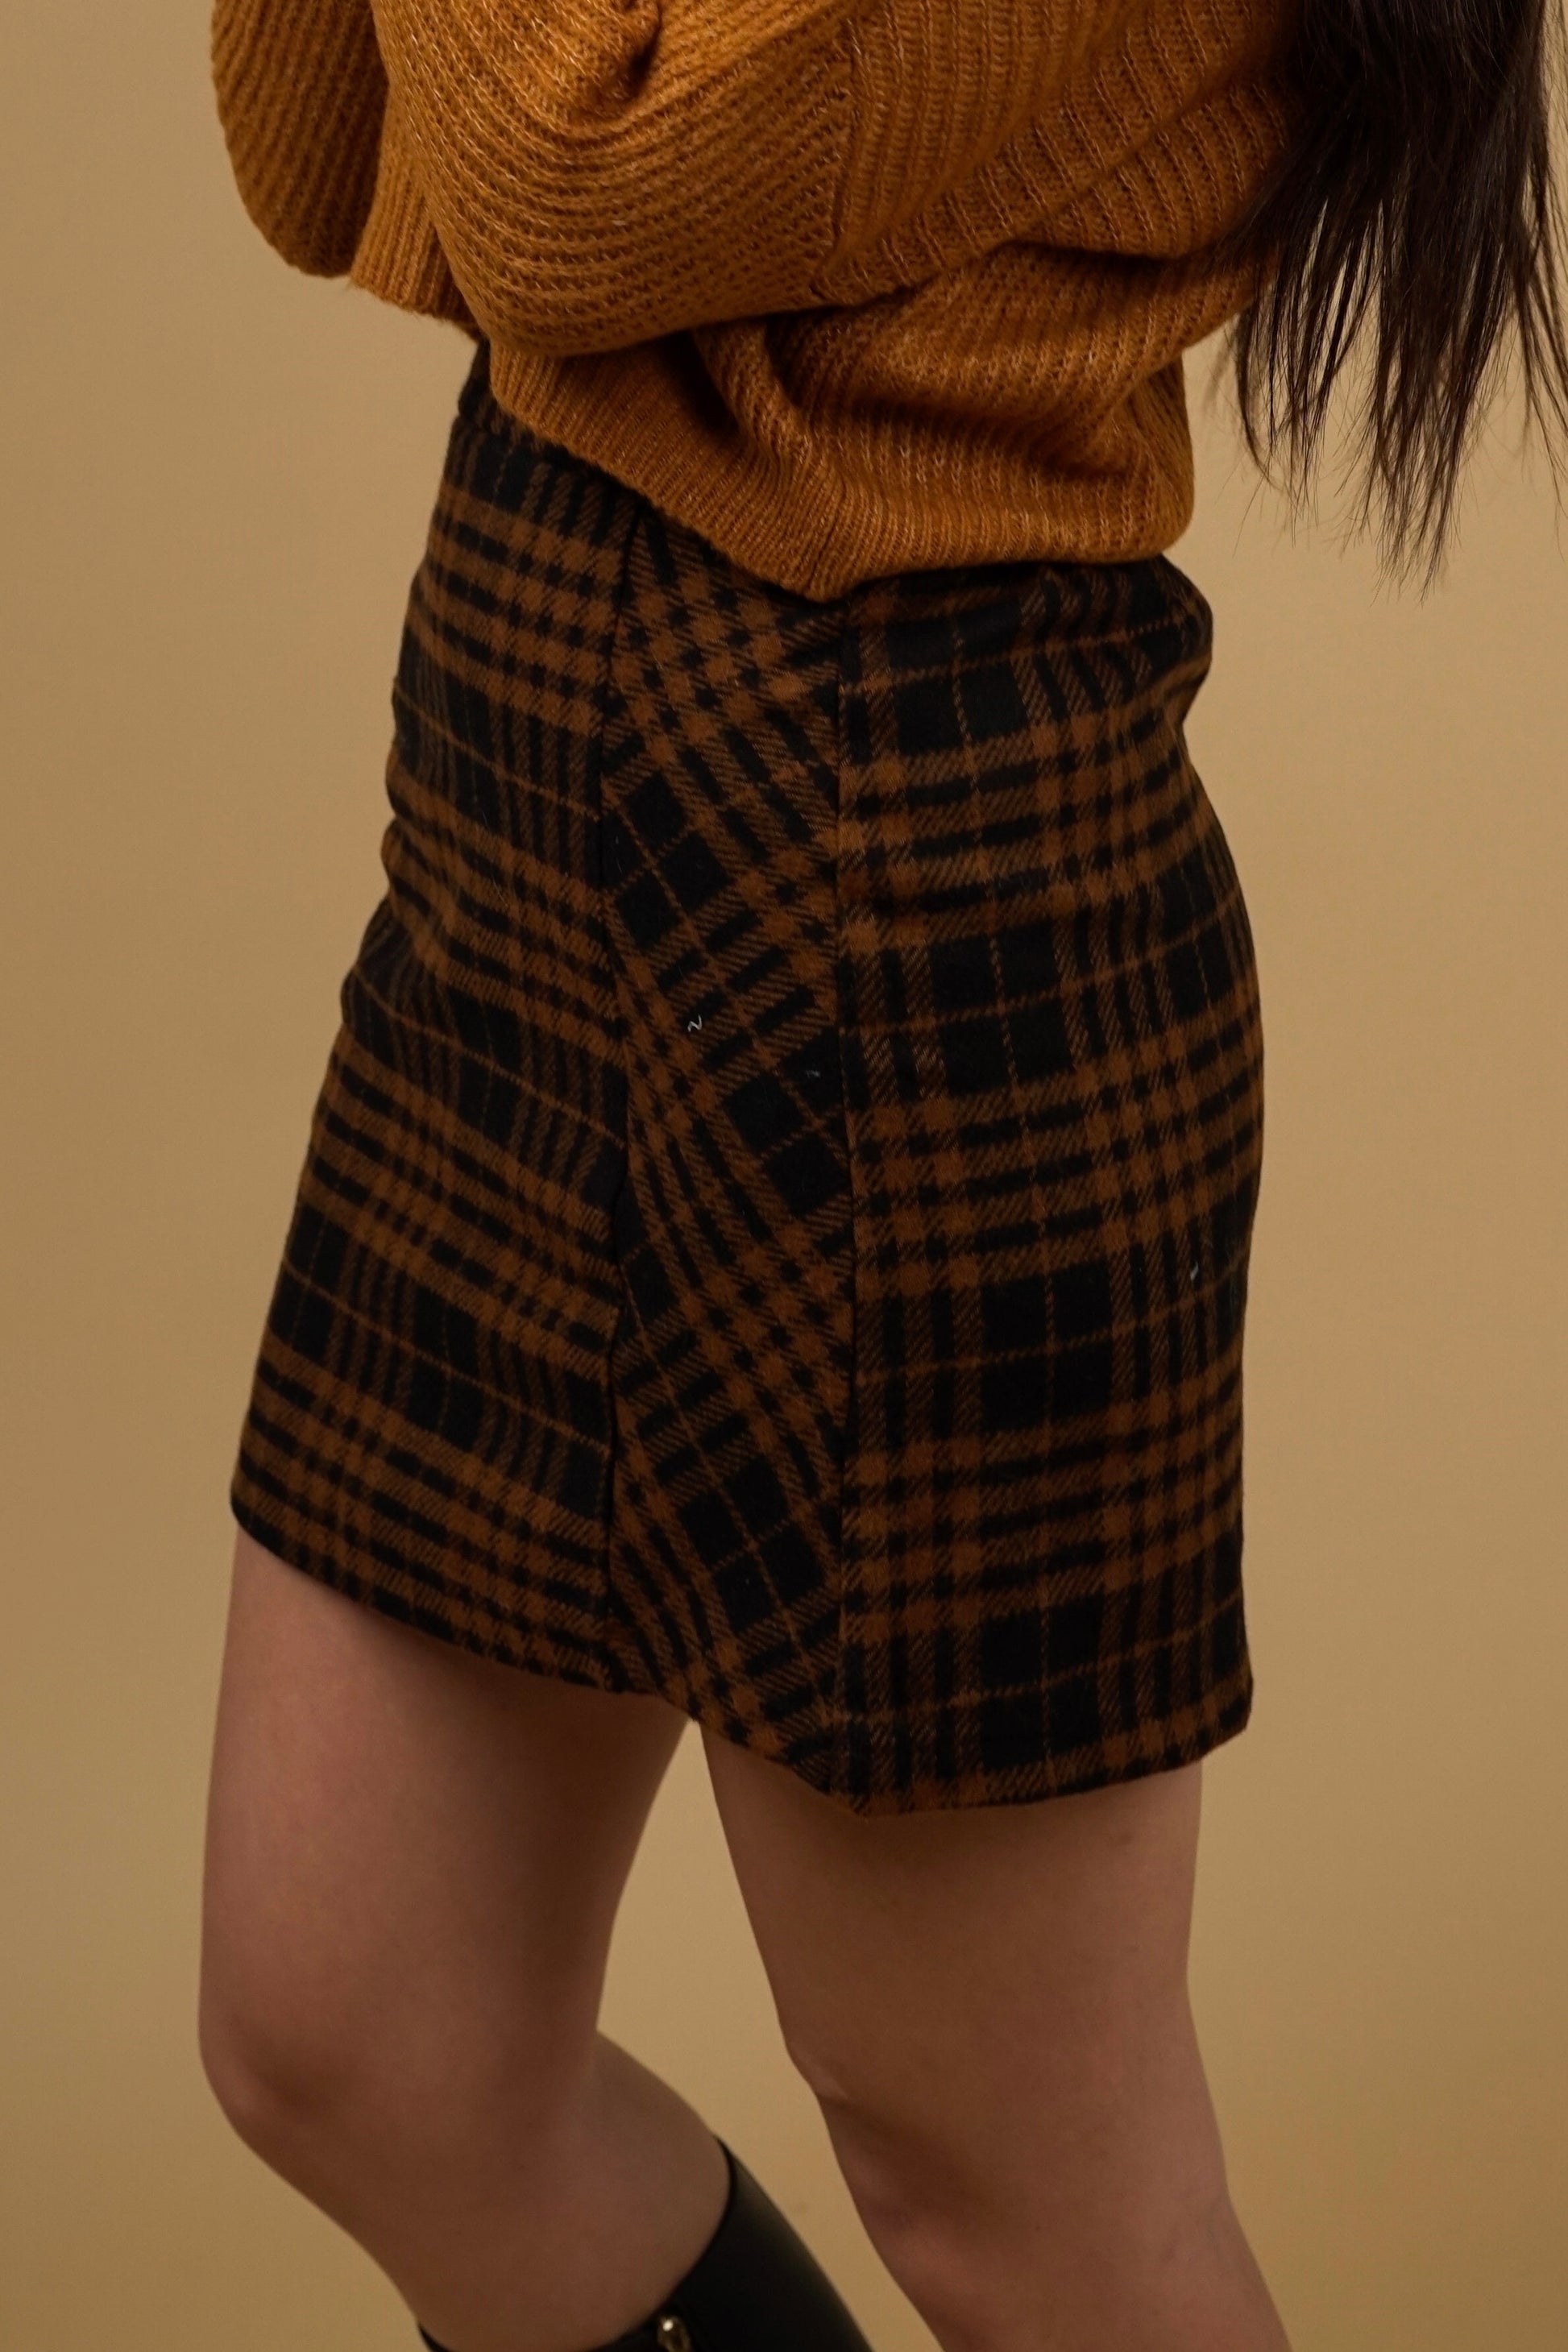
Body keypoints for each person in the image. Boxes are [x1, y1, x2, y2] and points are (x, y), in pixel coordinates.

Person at [197, 4, 1568, 2349]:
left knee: (1017, 2192)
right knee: (360, 2030)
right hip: (524, 815)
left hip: (896, 913)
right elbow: (319, 152)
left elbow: (561, 189)